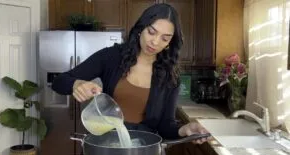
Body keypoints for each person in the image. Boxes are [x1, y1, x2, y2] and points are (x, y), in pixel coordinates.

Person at [52, 3, 210, 144]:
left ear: (170, 43)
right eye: (151, 32)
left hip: (143, 150)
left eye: (165, 38)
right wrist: (76, 84)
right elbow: (59, 81)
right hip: (105, 146)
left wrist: (185, 129)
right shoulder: (112, 57)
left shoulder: (170, 76)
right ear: (141, 28)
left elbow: (165, 126)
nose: (155, 42)